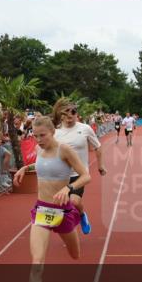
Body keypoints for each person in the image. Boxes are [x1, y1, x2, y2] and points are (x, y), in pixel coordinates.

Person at [11, 116, 90, 282]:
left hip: (62, 212)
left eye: (42, 135)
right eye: (35, 136)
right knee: (37, 264)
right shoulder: (38, 150)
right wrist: (23, 169)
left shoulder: (64, 150)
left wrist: (69, 188)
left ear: (53, 132)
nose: (38, 140)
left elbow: (85, 176)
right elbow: (40, 166)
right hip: (42, 211)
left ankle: (80, 214)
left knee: (75, 255)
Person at [51, 99, 106, 235]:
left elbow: (98, 147)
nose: (70, 115)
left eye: (73, 112)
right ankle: (69, 229)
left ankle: (81, 215)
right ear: (61, 114)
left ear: (77, 114)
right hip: (61, 175)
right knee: (63, 204)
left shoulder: (85, 129)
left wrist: (100, 166)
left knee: (74, 201)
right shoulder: (55, 131)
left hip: (79, 174)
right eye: (67, 112)